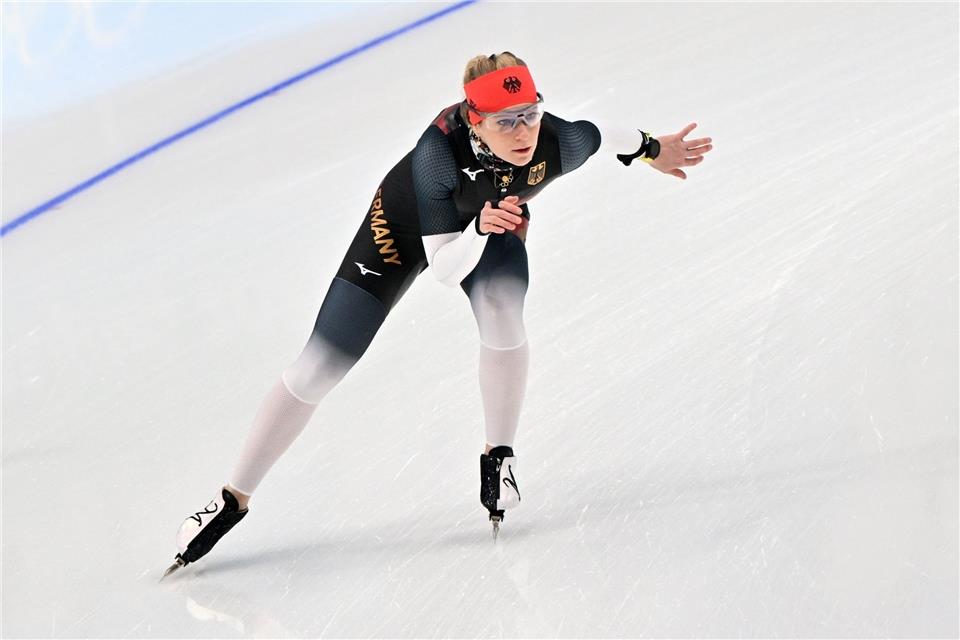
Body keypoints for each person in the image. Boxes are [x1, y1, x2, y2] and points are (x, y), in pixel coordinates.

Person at [163, 52, 713, 576]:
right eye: (506, 122)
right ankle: (232, 497)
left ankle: (498, 455)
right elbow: (446, 267)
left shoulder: (558, 140)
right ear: (476, 122)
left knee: (502, 310)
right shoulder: (435, 158)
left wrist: (649, 149)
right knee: (319, 366)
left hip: (487, 222)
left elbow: (606, 132)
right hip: (404, 232)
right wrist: (479, 227)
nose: (524, 133)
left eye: (531, 114)